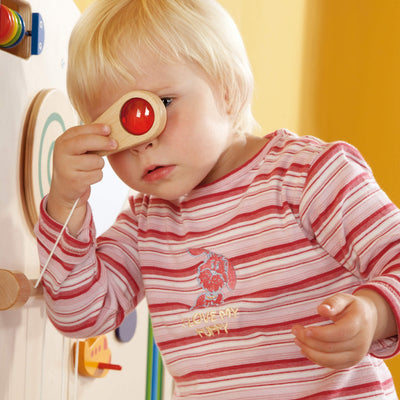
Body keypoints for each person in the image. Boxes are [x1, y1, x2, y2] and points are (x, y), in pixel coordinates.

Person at [35, 0, 400, 398]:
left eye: (162, 105)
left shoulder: (309, 177)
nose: (143, 142)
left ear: (226, 90)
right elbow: (81, 314)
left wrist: (374, 312)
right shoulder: (145, 223)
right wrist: (65, 202)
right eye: (116, 127)